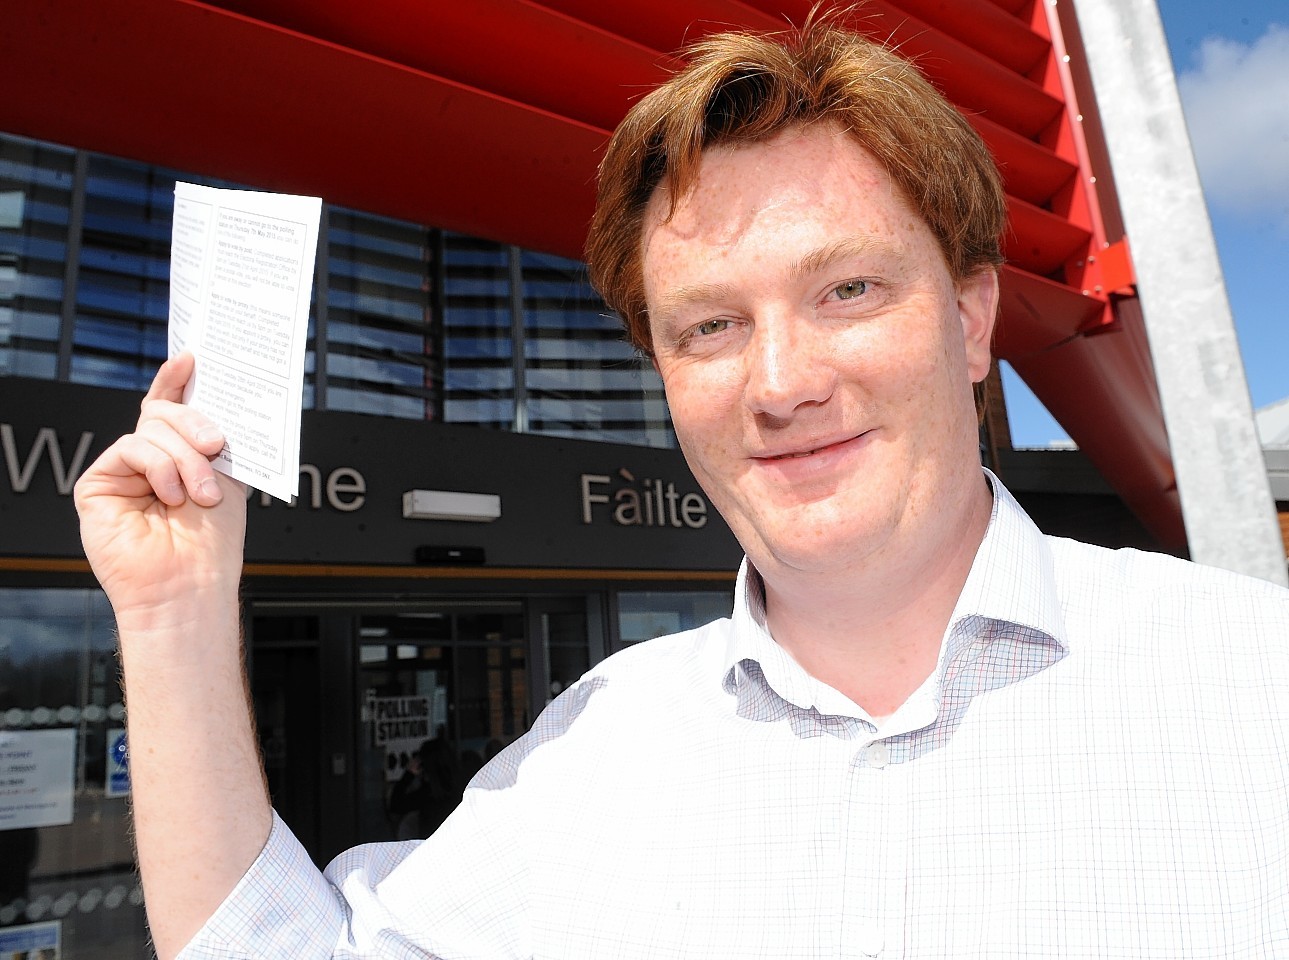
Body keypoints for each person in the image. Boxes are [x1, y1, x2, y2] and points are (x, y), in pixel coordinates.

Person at [74, 15, 1289, 960]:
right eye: (707, 325)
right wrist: (176, 618)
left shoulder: (1249, 685)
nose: (779, 381)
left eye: (846, 291)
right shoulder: (597, 745)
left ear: (970, 321)